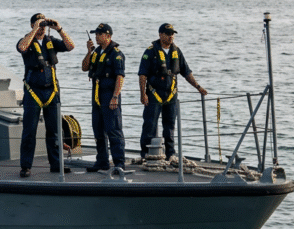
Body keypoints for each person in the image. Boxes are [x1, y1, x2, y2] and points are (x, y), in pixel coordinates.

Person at [138, 23, 207, 160]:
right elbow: (142, 75)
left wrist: (198, 87)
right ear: (160, 35)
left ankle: (170, 154)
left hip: (171, 96)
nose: (171, 37)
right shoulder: (150, 51)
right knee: (149, 125)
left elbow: (186, 72)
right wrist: (143, 94)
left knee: (169, 127)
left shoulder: (177, 51)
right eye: (168, 34)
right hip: (154, 94)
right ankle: (145, 154)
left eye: (172, 34)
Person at [17, 13, 75, 177]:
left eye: (43, 24)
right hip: (33, 91)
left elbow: (71, 46)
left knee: (54, 130)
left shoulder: (51, 42)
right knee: (29, 130)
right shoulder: (26, 41)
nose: (42, 27)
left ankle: (56, 164)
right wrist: (35, 29)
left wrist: (59, 29)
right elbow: (22, 48)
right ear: (32, 25)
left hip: (52, 91)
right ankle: (26, 165)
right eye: (38, 24)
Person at [81, 23, 125, 171]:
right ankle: (102, 161)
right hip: (97, 95)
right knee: (98, 129)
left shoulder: (116, 53)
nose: (96, 36)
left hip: (109, 94)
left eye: (99, 34)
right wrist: (89, 51)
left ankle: (119, 162)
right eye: (96, 34)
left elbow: (120, 77)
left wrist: (115, 97)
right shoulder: (96, 52)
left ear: (108, 36)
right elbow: (84, 67)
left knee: (113, 129)